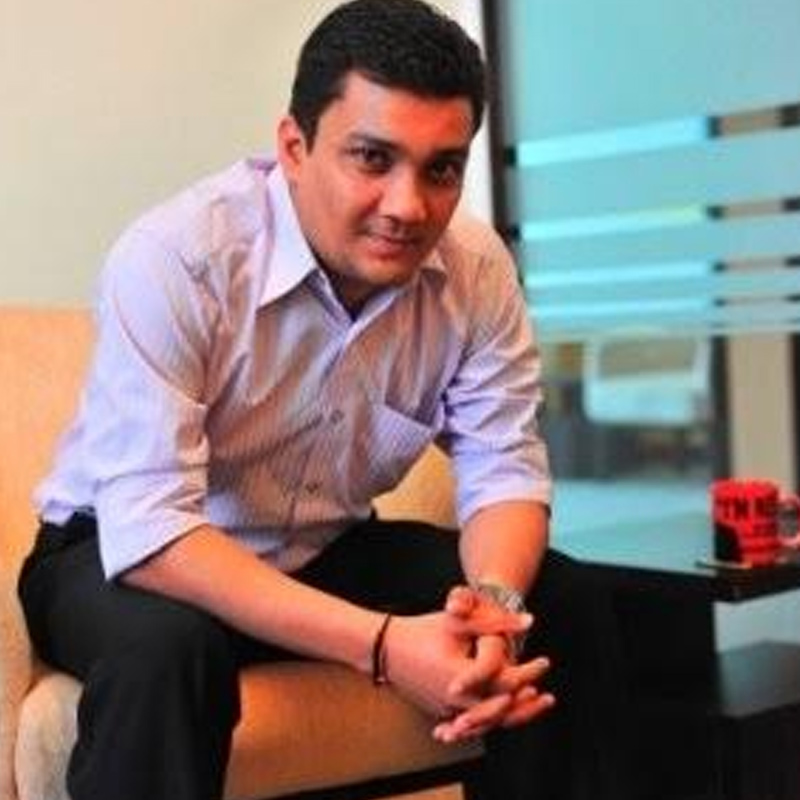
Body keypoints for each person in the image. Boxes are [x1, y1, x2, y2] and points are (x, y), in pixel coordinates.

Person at [18, 2, 637, 799]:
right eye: (372, 158)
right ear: (294, 147)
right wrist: (384, 646)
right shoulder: (177, 258)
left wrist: (491, 610)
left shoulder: (476, 271)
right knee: (166, 652)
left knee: (561, 600)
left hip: (318, 548)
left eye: (441, 169)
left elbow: (505, 467)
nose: (408, 206)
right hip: (121, 556)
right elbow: (154, 527)